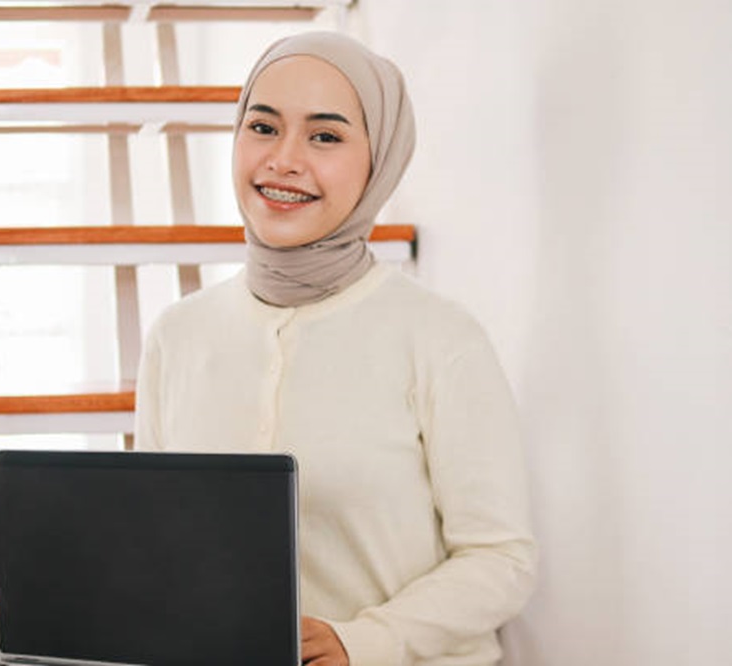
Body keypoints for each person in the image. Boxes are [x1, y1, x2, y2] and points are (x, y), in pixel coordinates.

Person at [135, 31, 537, 666]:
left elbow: (501, 560)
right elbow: (158, 544)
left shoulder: (439, 338)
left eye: (325, 136)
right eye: (262, 127)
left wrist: (362, 640)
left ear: (379, 163)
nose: (284, 160)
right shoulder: (176, 337)